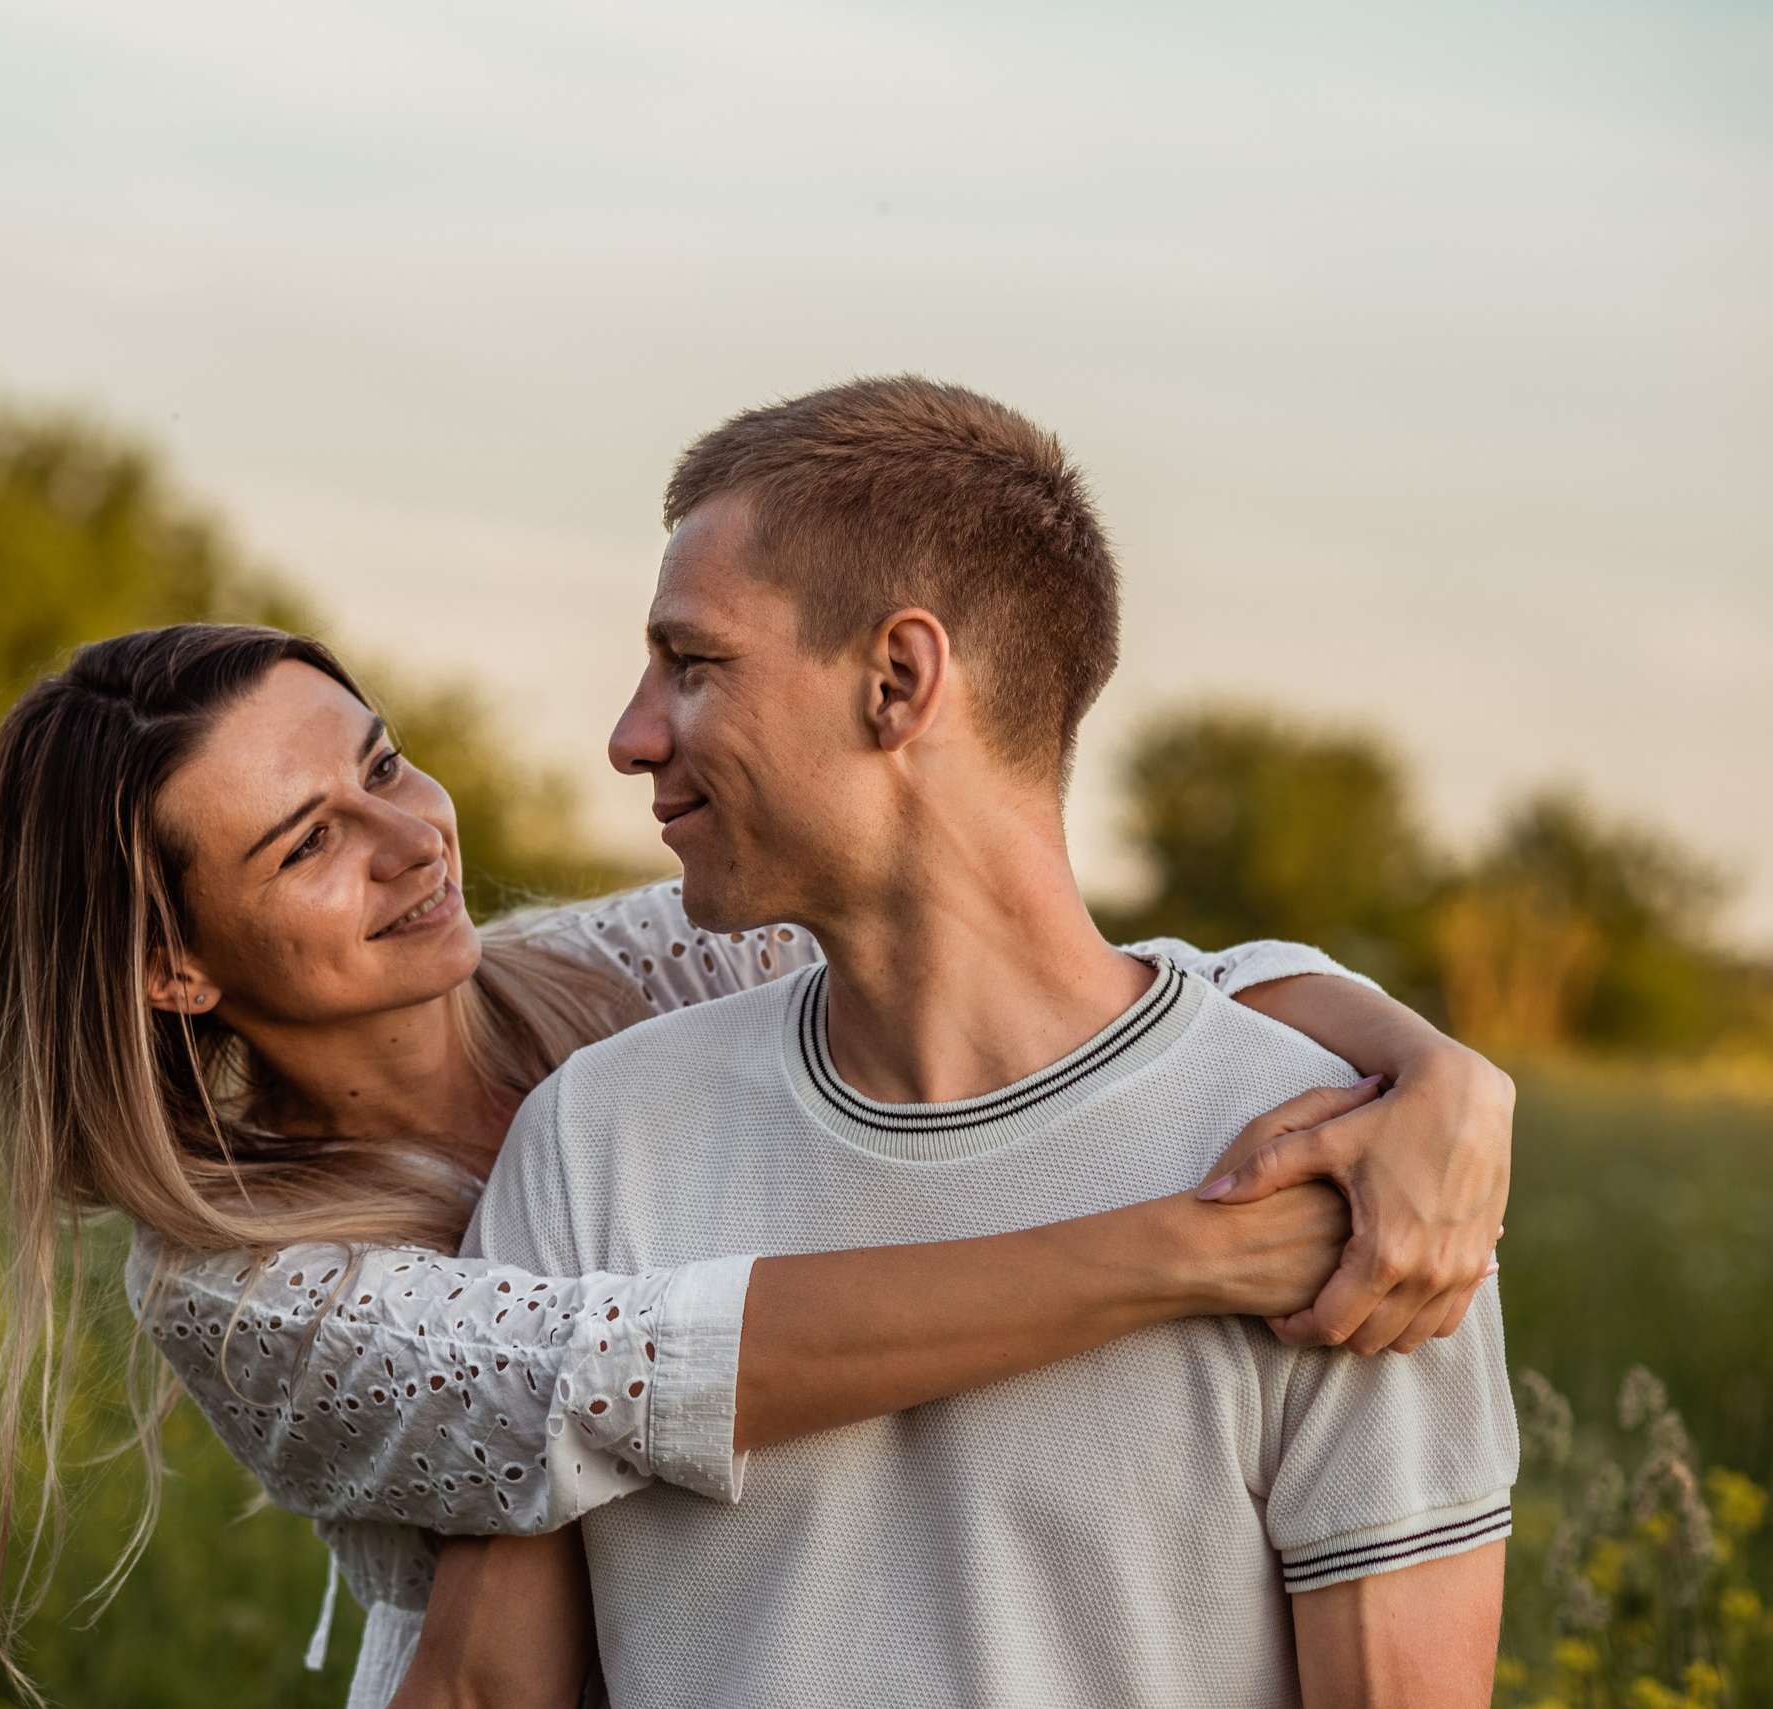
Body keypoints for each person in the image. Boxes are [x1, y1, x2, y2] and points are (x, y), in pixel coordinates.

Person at [0, 625, 1513, 1708]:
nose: (412, 836)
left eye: (386, 763)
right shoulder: (235, 1279)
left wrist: (1434, 1072)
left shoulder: (634, 973)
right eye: (309, 842)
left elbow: (1093, 978)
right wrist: (1191, 1254)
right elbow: (629, 1373)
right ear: (171, 964)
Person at [442, 377, 1517, 1709]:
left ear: (898, 681)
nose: (630, 734)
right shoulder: (596, 1137)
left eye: (694, 662)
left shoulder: (1348, 1178)